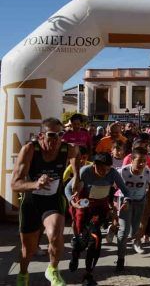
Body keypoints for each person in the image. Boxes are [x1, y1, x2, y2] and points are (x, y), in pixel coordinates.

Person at [12, 118, 79, 286]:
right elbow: (15, 184)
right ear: (41, 135)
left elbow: (77, 154)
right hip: (32, 202)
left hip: (53, 200)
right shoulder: (29, 150)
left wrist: (77, 176)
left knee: (56, 234)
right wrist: (36, 184)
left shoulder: (67, 148)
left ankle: (53, 269)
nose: (56, 139)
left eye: (60, 134)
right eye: (51, 135)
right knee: (29, 250)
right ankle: (23, 273)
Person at [66, 153, 131, 286]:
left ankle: (88, 274)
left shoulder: (112, 173)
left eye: (107, 169)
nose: (104, 172)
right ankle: (75, 252)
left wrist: (126, 200)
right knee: (82, 241)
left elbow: (125, 190)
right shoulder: (85, 171)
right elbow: (67, 189)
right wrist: (73, 202)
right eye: (101, 169)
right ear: (94, 165)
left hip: (100, 210)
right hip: (83, 209)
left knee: (95, 239)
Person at [116, 148, 150, 270]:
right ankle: (120, 258)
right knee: (123, 231)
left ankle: (135, 241)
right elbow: (113, 188)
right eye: (139, 161)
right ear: (132, 160)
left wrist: (149, 204)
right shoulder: (123, 171)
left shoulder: (147, 172)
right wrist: (114, 206)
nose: (142, 164)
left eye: (145, 161)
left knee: (134, 230)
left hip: (140, 201)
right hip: (125, 202)